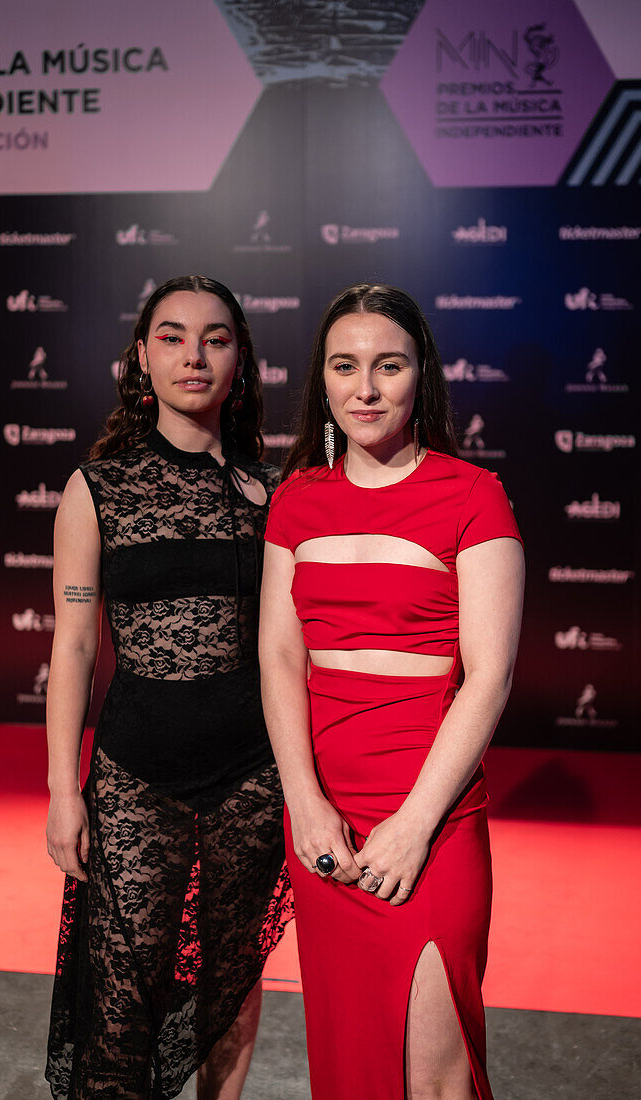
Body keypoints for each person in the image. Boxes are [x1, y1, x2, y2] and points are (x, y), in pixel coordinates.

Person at [259, 284, 524, 1099]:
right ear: (323, 381)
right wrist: (302, 800)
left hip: (433, 818)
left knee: (433, 1069)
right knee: (351, 1061)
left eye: (389, 365)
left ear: (421, 377)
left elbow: (489, 678)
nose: (366, 388)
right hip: (325, 818)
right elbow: (278, 658)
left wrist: (413, 825)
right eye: (345, 366)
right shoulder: (297, 500)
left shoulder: (473, 497)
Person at [45, 275, 293, 1100]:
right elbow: (75, 646)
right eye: (173, 336)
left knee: (230, 984)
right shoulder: (97, 489)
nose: (195, 354)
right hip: (134, 771)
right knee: (120, 1002)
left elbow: (291, 653)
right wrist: (61, 791)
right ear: (141, 359)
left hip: (251, 777)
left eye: (216, 338)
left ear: (241, 361)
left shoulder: (272, 496)